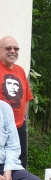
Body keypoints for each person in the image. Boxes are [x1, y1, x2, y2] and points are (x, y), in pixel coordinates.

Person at [0, 36, 33, 169]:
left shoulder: (20, 70)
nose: (12, 51)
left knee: (20, 162)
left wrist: (24, 119)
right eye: (8, 48)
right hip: (2, 128)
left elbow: (27, 97)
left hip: (19, 126)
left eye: (16, 48)